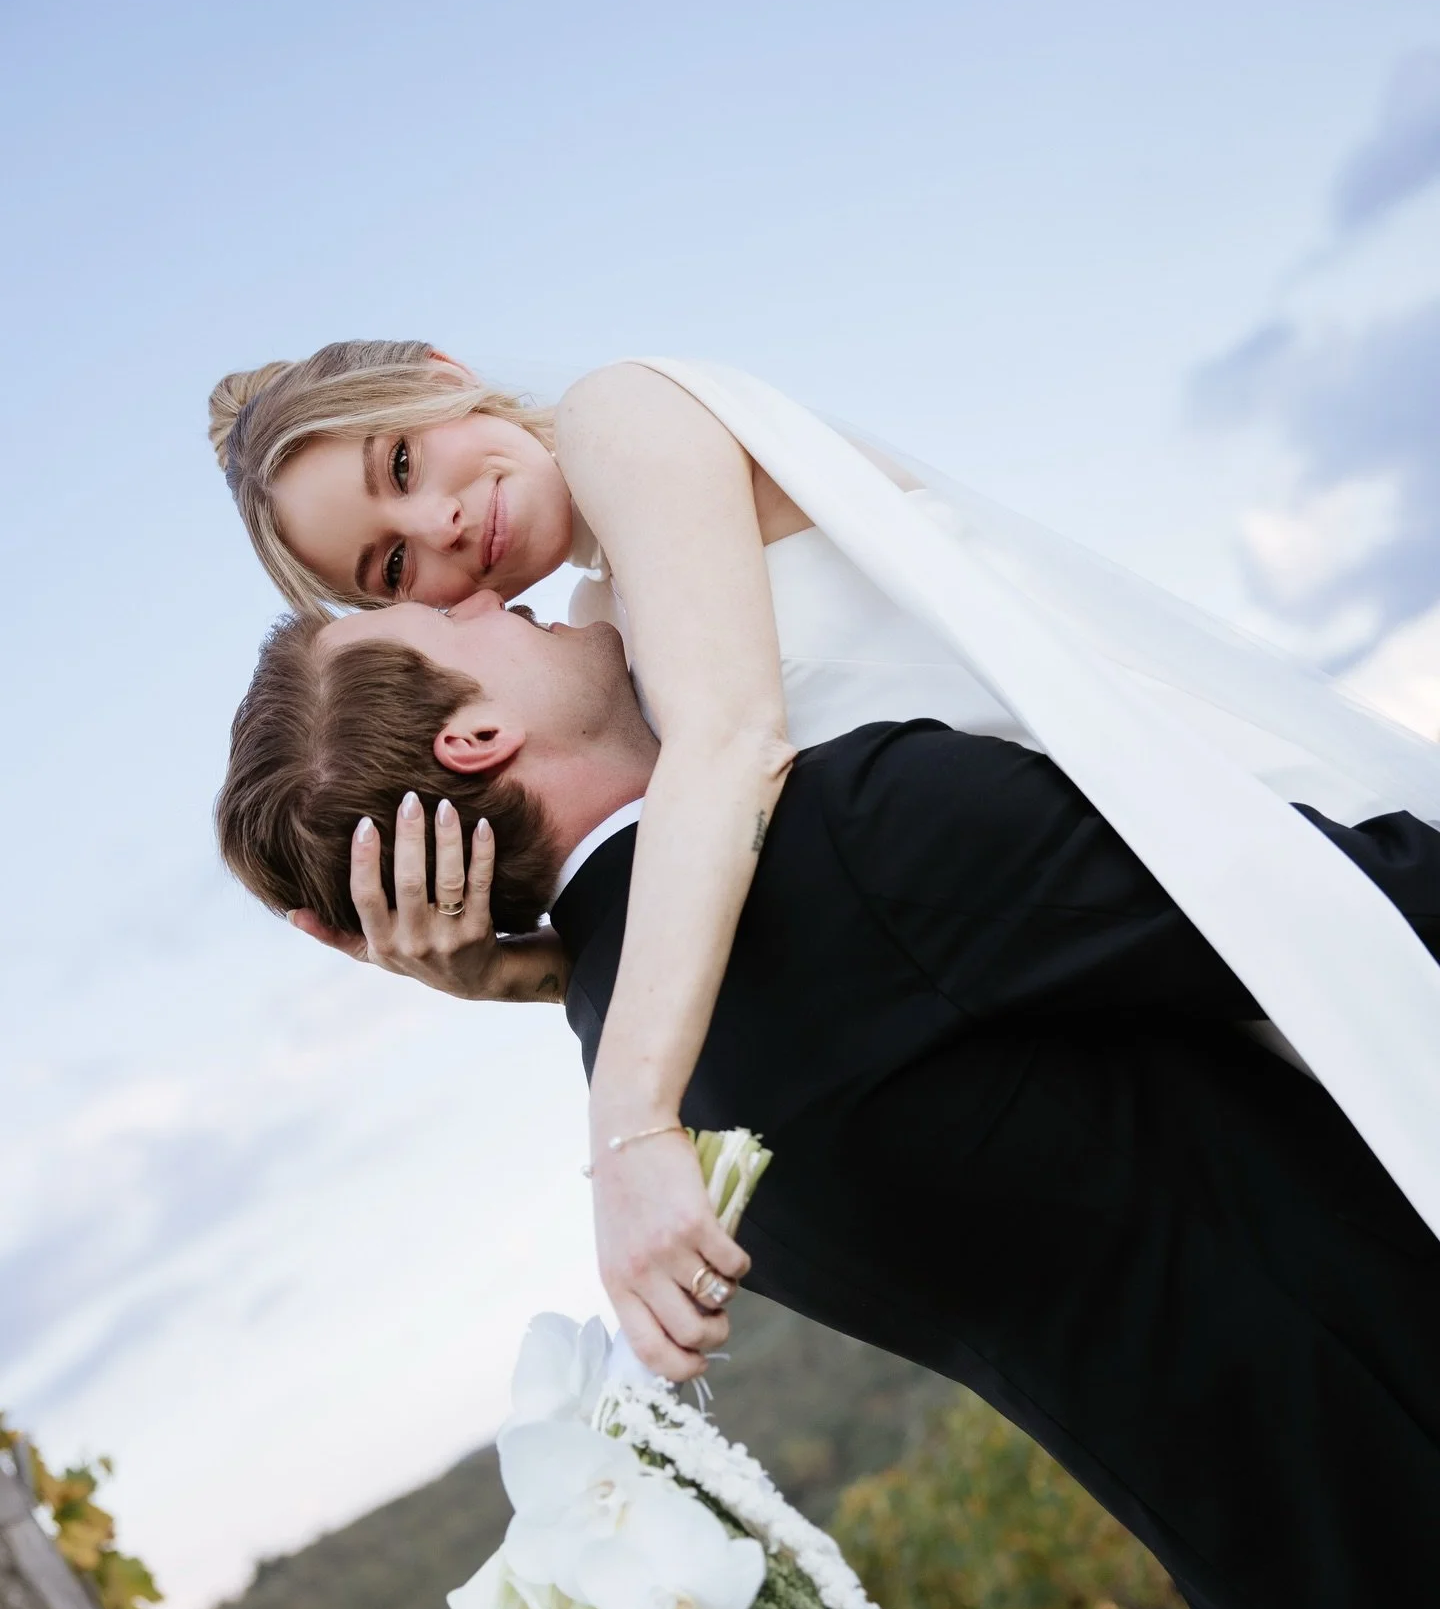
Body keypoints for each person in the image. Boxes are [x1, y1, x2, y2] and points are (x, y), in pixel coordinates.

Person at [215, 591, 1440, 1609]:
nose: (488, 593)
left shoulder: (638, 1087)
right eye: (442, 616)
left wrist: (535, 971)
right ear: (479, 734)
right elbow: (1366, 913)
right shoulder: (849, 840)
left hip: (1346, 1563)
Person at [209, 342, 1440, 1392]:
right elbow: (772, 898)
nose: (439, 535)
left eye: (402, 468)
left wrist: (631, 1127)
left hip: (1245, 841)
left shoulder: (621, 418)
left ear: (442, 377)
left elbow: (738, 749)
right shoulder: (618, 632)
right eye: (388, 570)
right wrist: (509, 975)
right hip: (1155, 937)